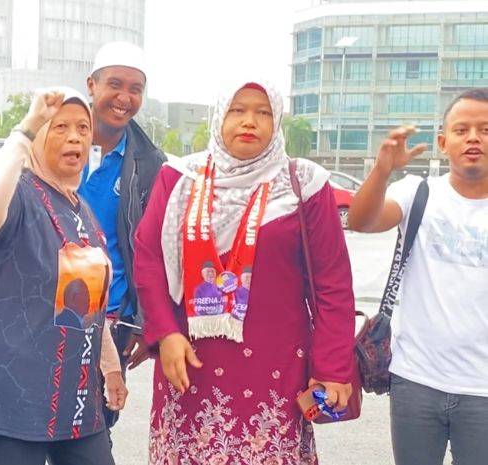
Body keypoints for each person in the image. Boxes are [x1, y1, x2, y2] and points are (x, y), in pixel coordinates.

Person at [134, 81, 356, 464]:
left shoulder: (303, 184)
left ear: (277, 120)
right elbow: (149, 257)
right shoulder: (180, 179)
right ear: (219, 116)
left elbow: (332, 283)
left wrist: (333, 368)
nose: (249, 121)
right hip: (188, 364)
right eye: (238, 110)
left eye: (263, 112)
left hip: (277, 367)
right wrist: (165, 333)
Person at [0, 88, 126, 465]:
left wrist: (112, 368)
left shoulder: (82, 210)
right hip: (14, 400)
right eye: (60, 127)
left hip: (77, 402)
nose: (75, 137)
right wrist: (25, 129)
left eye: (83, 128)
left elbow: (90, 303)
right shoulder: (17, 195)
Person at [348, 88, 488, 465]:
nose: (473, 137)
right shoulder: (418, 192)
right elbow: (360, 221)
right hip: (416, 380)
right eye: (462, 130)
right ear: (444, 142)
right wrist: (382, 170)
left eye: (485, 129)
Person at [78, 41, 167, 431]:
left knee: (92, 436)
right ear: (91, 85)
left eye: (136, 89)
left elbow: (155, 251)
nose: (124, 97)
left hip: (109, 322)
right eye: (114, 83)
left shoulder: (151, 164)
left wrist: (143, 323)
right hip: (38, 317)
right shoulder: (50, 144)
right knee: (32, 436)